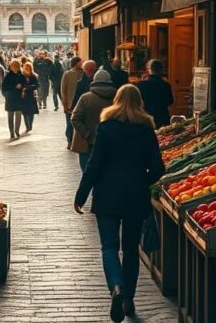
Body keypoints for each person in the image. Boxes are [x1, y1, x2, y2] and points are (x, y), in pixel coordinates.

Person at [74, 85, 165, 321]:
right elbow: (157, 168)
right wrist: (141, 180)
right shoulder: (146, 130)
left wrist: (81, 195)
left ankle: (115, 286)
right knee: (131, 249)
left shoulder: (105, 128)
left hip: (107, 194)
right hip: (135, 195)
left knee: (109, 246)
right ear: (139, 102)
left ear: (116, 100)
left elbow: (94, 165)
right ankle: (129, 300)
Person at [70, 69, 116, 171]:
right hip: (110, 142)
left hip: (86, 144)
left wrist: (87, 133)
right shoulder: (117, 98)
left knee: (87, 173)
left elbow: (75, 118)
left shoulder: (86, 98)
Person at [137, 59, 175, 130]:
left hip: (147, 117)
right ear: (161, 70)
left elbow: (137, 102)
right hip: (163, 117)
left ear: (149, 70)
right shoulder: (166, 85)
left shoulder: (141, 85)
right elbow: (170, 101)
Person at [60, 56, 83, 143]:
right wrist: (64, 104)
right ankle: (70, 140)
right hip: (70, 104)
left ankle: (76, 141)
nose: (81, 64)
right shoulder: (67, 74)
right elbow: (63, 90)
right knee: (69, 124)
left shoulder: (83, 74)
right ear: (76, 63)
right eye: (80, 62)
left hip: (80, 103)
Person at [1, 60, 26, 139]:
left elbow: (25, 85)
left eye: (16, 66)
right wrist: (7, 94)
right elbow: (4, 87)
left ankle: (17, 130)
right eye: (13, 66)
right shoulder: (8, 76)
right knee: (10, 115)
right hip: (10, 98)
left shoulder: (21, 75)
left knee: (18, 115)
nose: (15, 68)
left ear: (18, 67)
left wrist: (21, 86)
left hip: (19, 98)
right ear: (11, 67)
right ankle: (11, 132)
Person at [19, 61, 41, 133]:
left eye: (29, 68)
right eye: (26, 67)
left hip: (31, 96)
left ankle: (30, 125)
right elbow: (19, 84)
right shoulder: (21, 76)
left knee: (31, 112)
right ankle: (27, 126)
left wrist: (28, 88)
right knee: (25, 112)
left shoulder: (34, 76)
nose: (27, 69)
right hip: (23, 96)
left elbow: (37, 85)